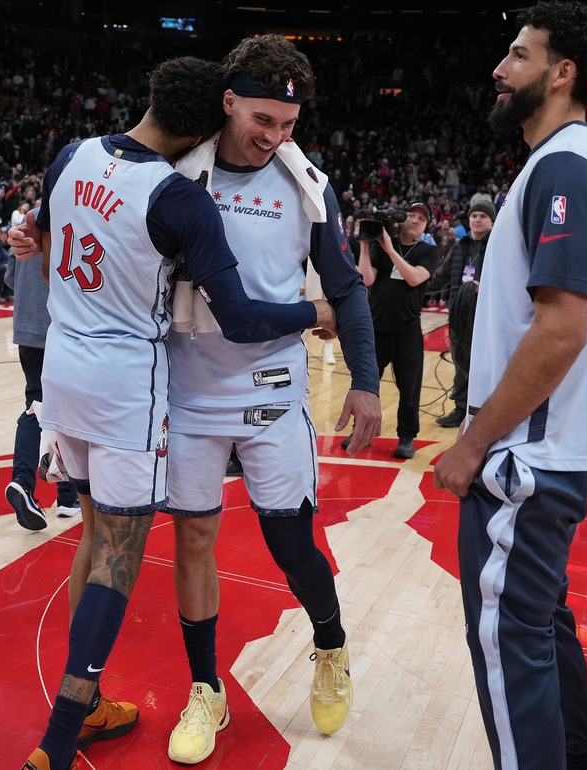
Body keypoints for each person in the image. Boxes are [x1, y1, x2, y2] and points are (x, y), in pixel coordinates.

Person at [14, 56, 336, 770]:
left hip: (62, 369)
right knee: (117, 559)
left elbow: (41, 246)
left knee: (92, 537)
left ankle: (89, 709)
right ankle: (60, 741)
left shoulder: (71, 155)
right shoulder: (179, 199)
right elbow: (242, 318)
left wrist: (39, 249)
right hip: (124, 385)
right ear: (208, 124)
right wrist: (316, 311)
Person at [160, 36, 382, 766]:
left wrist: (366, 380)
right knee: (193, 540)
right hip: (191, 389)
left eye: (288, 124)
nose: (275, 136)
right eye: (263, 119)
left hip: (272, 390)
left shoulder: (308, 185)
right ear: (228, 101)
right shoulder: (177, 172)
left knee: (290, 545)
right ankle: (206, 690)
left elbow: (345, 291)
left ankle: (331, 644)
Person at [433, 4, 587, 770]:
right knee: (541, 624)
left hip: (526, 458)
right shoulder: (573, 161)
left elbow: (561, 330)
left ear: (561, 72)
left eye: (518, 54)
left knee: (510, 645)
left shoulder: (566, 166)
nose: (499, 67)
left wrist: (472, 443)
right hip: (553, 452)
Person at [3, 212, 81, 529]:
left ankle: (23, 482)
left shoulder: (22, 226)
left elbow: (10, 279)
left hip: (26, 331)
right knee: (71, 411)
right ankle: (68, 496)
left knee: (34, 406)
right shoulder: (73, 218)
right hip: (60, 330)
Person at [353, 199, 441, 458]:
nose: (416, 220)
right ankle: (361, 430)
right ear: (402, 218)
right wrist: (366, 246)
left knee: (409, 386)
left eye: (422, 219)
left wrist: (390, 250)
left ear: (426, 227)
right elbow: (366, 278)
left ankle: (406, 437)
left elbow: (414, 278)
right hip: (376, 325)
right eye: (412, 215)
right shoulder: (381, 244)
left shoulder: (428, 251)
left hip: (408, 328)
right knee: (367, 383)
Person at [426, 200, 496, 428]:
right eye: (474, 216)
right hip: (459, 316)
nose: (477, 219)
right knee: (461, 364)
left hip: (487, 316)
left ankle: (487, 411)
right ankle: (461, 408)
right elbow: (440, 276)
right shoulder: (459, 246)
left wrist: (488, 289)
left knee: (485, 366)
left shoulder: (498, 246)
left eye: (482, 216)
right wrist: (414, 289)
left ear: (492, 221)